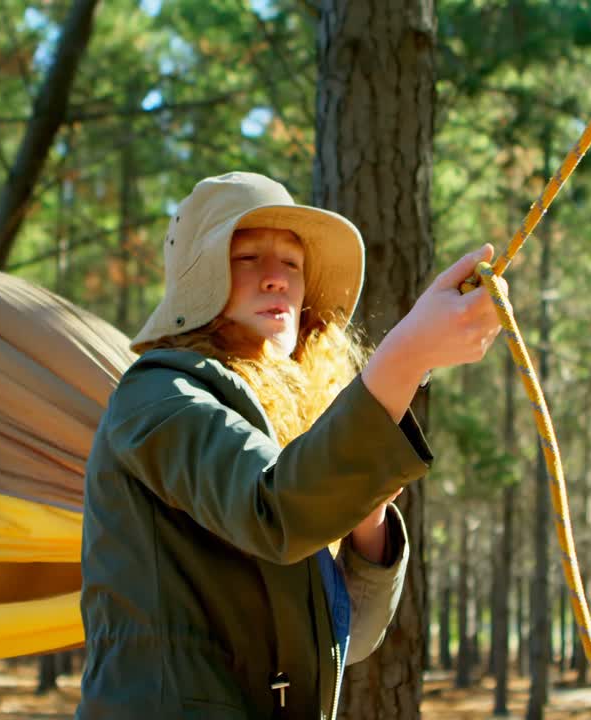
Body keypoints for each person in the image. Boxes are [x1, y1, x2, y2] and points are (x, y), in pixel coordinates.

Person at [76, 172, 506, 719]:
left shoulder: (300, 421)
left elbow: (357, 630)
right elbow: (271, 508)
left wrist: (367, 519)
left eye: (293, 263)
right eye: (247, 257)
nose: (277, 278)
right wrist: (407, 356)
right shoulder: (159, 393)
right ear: (197, 280)